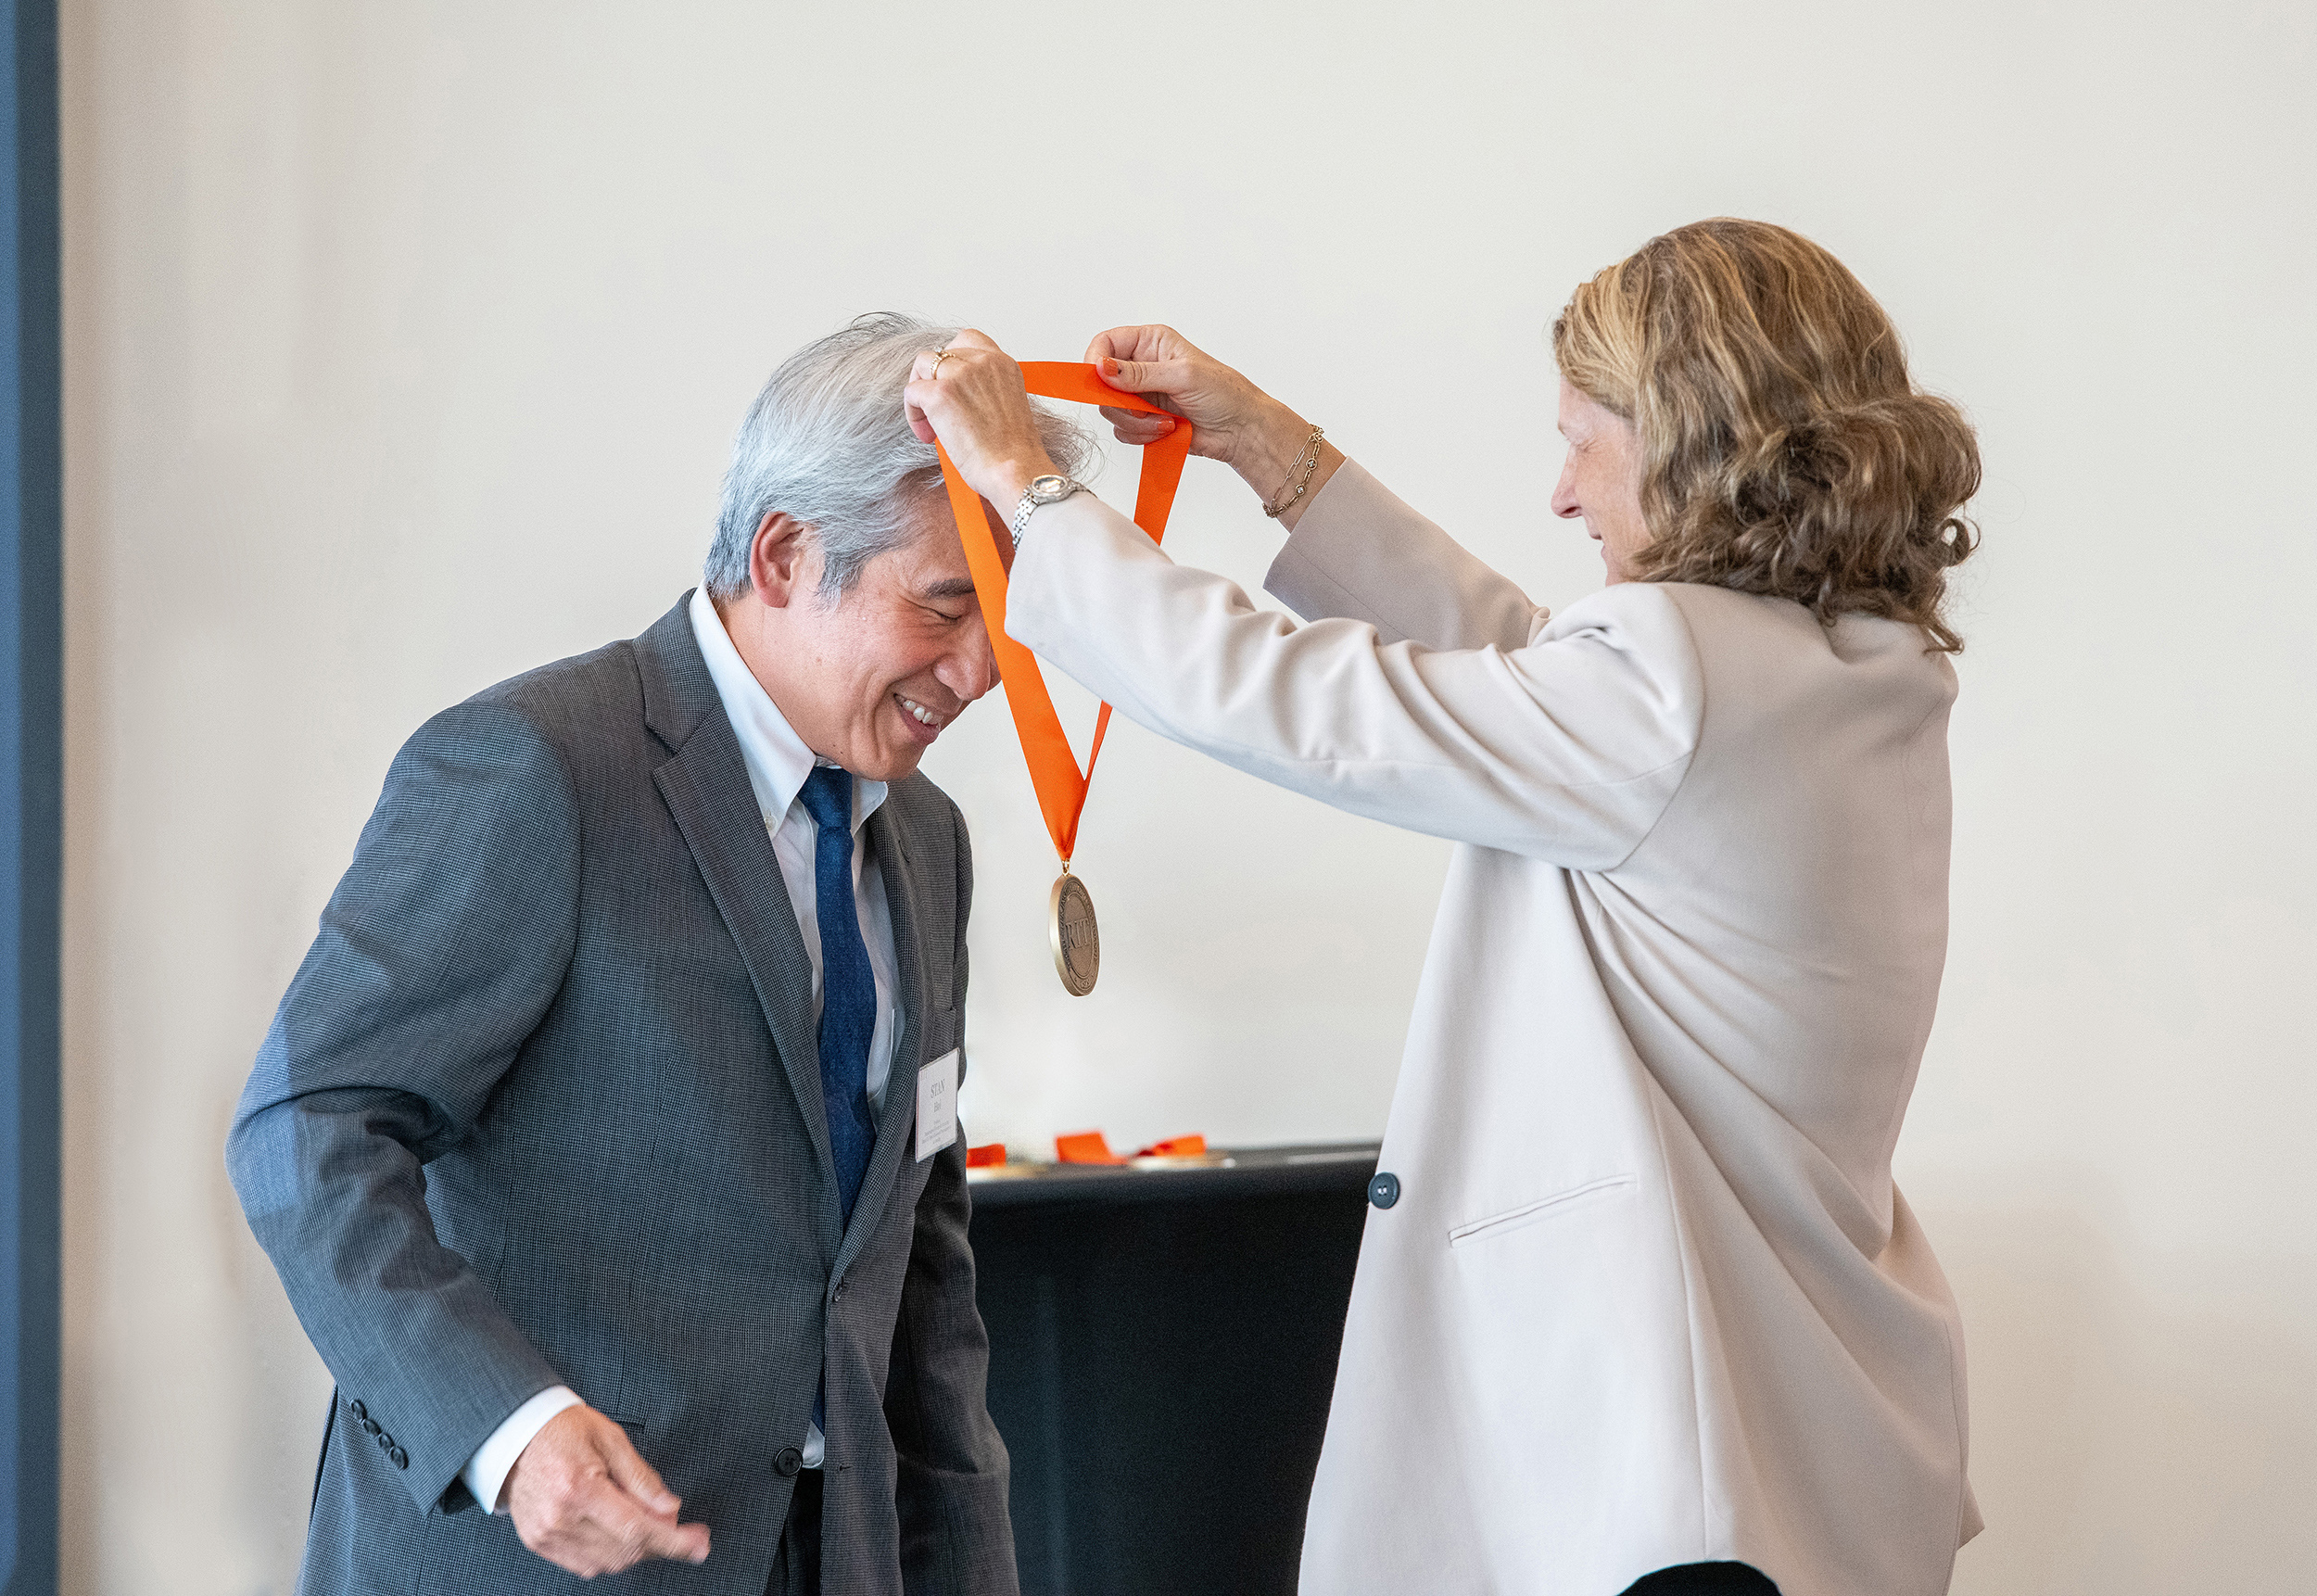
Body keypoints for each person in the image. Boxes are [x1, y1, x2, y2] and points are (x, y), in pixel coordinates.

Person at [907, 219, 1984, 1596]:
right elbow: (1531, 666)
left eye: (1583, 437)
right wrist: (1272, 449)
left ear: (1691, 438)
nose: (1560, 491)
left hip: (1677, 1481)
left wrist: (1028, 488)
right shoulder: (1851, 673)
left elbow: (1294, 698)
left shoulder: (1670, 689)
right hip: (1811, 1452)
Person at [227, 312, 1079, 1594]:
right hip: (528, 1562)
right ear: (785, 553)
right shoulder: (536, 768)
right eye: (946, 606)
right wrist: (510, 1433)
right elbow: (309, 1130)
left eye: (1003, 621)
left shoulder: (931, 841)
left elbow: (916, 1278)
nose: (980, 670)